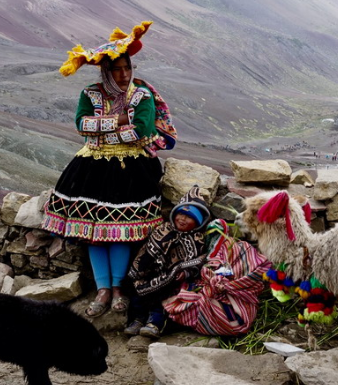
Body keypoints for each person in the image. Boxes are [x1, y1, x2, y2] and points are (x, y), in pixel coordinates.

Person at [41, 21, 177, 318]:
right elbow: (81, 125)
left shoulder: (142, 94)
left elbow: (141, 131)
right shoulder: (90, 93)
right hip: (92, 168)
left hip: (132, 169)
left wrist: (102, 129)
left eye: (127, 68)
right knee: (94, 232)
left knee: (121, 232)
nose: (124, 74)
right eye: (117, 69)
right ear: (106, 71)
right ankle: (102, 288)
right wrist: (118, 121)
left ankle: (117, 288)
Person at [124, 186, 211, 338]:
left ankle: (155, 324)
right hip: (151, 273)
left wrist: (185, 272)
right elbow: (147, 250)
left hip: (173, 279)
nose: (182, 219)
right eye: (181, 214)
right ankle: (137, 320)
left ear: (198, 222)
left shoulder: (197, 239)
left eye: (189, 217)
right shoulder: (163, 229)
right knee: (137, 293)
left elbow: (197, 261)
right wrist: (141, 270)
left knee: (165, 298)